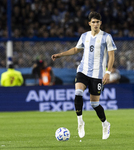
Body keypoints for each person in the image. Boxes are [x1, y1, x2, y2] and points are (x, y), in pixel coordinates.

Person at [51, 11, 117, 140]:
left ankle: (105, 124)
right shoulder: (84, 36)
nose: (95, 24)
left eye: (97, 22)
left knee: (94, 104)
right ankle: (80, 121)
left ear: (100, 23)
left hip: (97, 74)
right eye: (93, 22)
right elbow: (76, 49)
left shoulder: (106, 37)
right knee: (78, 93)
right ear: (89, 23)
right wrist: (60, 54)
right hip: (83, 70)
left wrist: (108, 72)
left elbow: (111, 56)